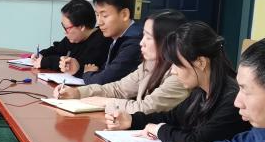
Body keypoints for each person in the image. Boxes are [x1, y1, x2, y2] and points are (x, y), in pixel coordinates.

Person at [107, 21, 248, 142]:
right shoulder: (200, 91)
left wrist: (158, 129)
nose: (173, 71)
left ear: (201, 62)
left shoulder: (233, 100)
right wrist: (131, 120)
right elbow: (171, 117)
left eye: (177, 64)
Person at [54, 8, 189, 115]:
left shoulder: (180, 75)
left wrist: (105, 102)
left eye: (148, 38)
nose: (141, 43)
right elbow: (119, 89)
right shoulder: (150, 64)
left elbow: (146, 108)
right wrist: (77, 92)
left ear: (168, 41)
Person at [58, 0, 142, 85]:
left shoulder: (135, 42)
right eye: (97, 15)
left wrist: (87, 73)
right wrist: (78, 69)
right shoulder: (117, 37)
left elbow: (104, 80)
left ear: (124, 14)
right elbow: (103, 72)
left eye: (105, 15)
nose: (99, 22)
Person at [32, 0, 110, 73]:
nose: (65, 32)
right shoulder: (76, 38)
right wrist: (41, 54)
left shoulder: (101, 41)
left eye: (66, 28)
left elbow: (75, 65)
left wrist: (46, 62)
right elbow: (57, 49)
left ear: (81, 27)